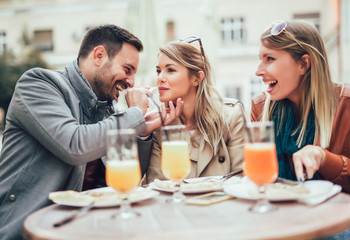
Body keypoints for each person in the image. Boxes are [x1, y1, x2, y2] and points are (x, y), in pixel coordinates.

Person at [0, 24, 182, 240]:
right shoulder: (39, 84)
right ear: (99, 56)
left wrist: (143, 130)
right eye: (127, 69)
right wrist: (134, 115)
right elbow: (74, 145)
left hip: (78, 228)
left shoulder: (107, 108)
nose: (131, 81)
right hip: (22, 229)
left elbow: (125, 178)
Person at [251, 20, 350, 199]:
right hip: (279, 216)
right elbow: (255, 180)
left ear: (303, 63)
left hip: (337, 219)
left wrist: (324, 159)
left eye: (270, 59)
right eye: (260, 59)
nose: (258, 71)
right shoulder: (260, 107)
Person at [146, 37, 245, 183]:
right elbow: (158, 186)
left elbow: (241, 179)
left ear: (196, 78)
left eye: (170, 70)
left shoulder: (231, 116)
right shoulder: (158, 125)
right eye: (158, 71)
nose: (160, 78)